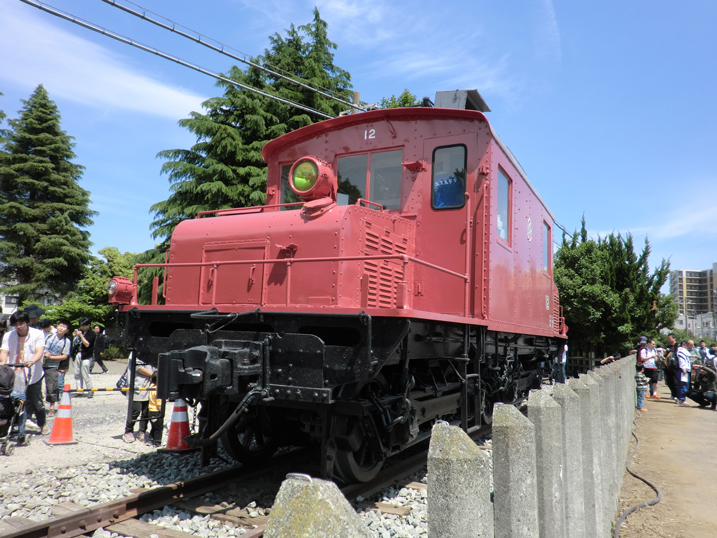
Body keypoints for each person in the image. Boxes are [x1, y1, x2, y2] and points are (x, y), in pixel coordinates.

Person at [0, 312, 48, 437]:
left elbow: (39, 351)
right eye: (16, 324)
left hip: (33, 373)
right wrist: (2, 363)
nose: (19, 326)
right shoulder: (9, 335)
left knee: (36, 401)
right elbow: (4, 351)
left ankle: (42, 424)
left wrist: (31, 361)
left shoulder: (37, 334)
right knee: (13, 400)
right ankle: (12, 426)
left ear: (27, 322)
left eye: (21, 323)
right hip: (14, 373)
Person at [123, 354, 156, 443]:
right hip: (137, 386)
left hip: (149, 385)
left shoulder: (151, 351)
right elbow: (138, 367)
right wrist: (155, 375)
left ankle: (142, 431)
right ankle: (128, 431)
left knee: (146, 412)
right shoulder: (136, 352)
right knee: (135, 411)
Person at [43, 321, 72, 416]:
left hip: (53, 365)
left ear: (67, 330)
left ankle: (51, 407)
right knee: (35, 385)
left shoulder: (66, 341)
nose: (61, 328)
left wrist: (50, 357)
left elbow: (64, 356)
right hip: (40, 363)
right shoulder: (49, 336)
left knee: (52, 386)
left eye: (64, 327)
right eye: (60, 326)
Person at [74, 317, 95, 397]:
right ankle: (79, 390)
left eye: (84, 325)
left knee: (85, 373)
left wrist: (81, 336)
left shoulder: (91, 333)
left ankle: (90, 389)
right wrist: (75, 336)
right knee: (77, 373)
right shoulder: (80, 332)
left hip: (86, 355)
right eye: (81, 325)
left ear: (88, 325)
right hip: (78, 353)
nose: (82, 327)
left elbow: (87, 344)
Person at [676, 340, 693, 405]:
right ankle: (681, 399)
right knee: (683, 385)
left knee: (682, 385)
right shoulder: (681, 351)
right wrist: (684, 369)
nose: (688, 346)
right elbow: (681, 360)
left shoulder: (683, 351)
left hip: (683, 370)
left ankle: (679, 398)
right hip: (683, 370)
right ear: (683, 345)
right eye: (687, 345)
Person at [662, 333, 679, 399]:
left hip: (675, 366)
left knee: (675, 381)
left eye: (670, 338)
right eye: (668, 338)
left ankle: (677, 395)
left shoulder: (678, 346)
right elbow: (665, 355)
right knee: (669, 381)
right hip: (668, 366)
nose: (668, 339)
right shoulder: (668, 346)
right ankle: (673, 394)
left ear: (674, 338)